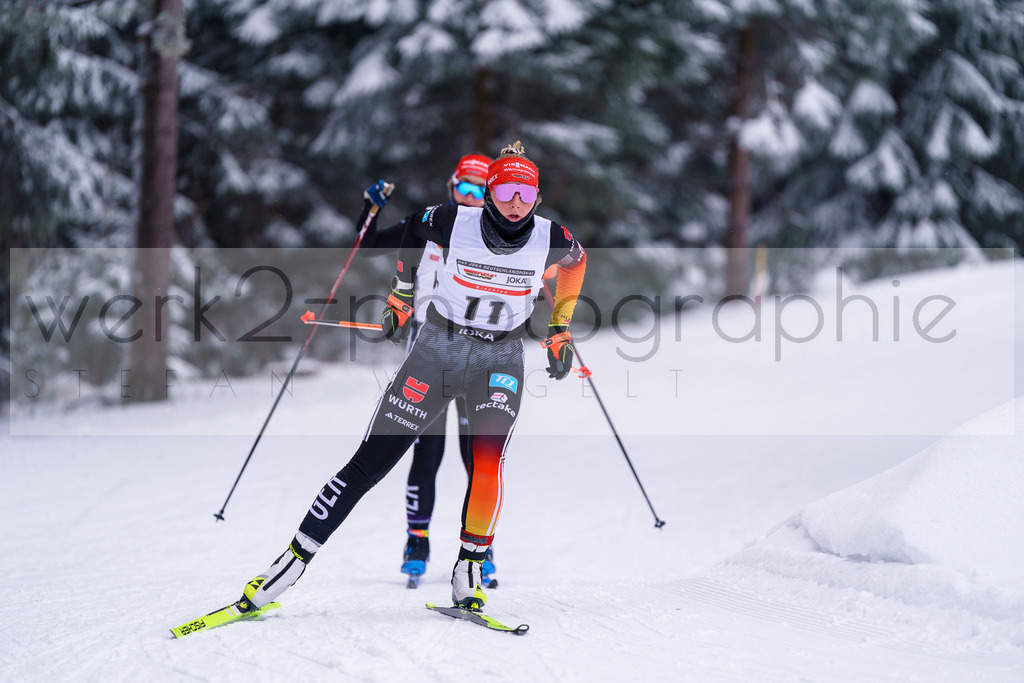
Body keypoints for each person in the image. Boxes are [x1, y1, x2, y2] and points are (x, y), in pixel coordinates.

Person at [239, 140, 586, 613]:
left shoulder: (553, 236)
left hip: (500, 359)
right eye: (505, 190)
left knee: (486, 462)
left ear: (537, 198)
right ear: (490, 192)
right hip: (437, 350)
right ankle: (290, 563)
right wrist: (401, 295)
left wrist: (560, 327)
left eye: (525, 194)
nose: (515, 202)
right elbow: (410, 235)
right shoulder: (452, 219)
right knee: (370, 463)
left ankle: (468, 569)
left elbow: (576, 264)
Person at [358, 153, 501, 588]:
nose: (471, 196)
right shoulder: (429, 224)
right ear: (452, 187)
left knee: (476, 456)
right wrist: (370, 208)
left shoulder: (499, 232)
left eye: (480, 189)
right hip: (429, 350)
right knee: (428, 453)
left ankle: (481, 547)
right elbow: (367, 246)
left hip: (479, 353)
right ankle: (416, 544)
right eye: (464, 187)